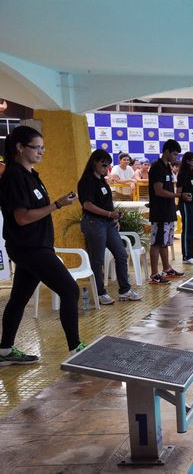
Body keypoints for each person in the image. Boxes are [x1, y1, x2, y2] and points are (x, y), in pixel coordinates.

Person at [0, 126, 85, 364]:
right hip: (29, 247)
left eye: (42, 148)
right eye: (36, 147)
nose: (41, 152)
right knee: (69, 290)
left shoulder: (30, 175)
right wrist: (57, 205)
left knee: (18, 298)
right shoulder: (15, 175)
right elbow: (22, 217)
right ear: (19, 148)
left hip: (35, 245)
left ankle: (4, 351)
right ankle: (76, 350)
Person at [77, 149, 143, 305]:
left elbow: (106, 202)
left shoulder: (101, 180)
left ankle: (125, 290)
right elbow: (87, 205)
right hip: (94, 223)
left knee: (121, 254)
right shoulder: (86, 181)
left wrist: (114, 217)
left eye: (108, 164)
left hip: (108, 223)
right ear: (94, 162)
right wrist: (108, 214)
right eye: (103, 163)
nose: (106, 167)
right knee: (97, 259)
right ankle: (100, 293)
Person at [147, 139, 185, 284]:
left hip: (168, 210)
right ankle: (154, 274)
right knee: (156, 242)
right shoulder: (157, 167)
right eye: (174, 154)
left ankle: (167, 269)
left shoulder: (167, 167)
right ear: (167, 151)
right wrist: (177, 195)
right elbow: (158, 190)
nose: (176, 158)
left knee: (165, 242)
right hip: (160, 211)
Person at [176, 152, 193, 264]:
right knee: (187, 230)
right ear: (188, 161)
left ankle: (191, 253)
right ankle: (186, 256)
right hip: (186, 205)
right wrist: (181, 197)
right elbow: (178, 190)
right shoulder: (183, 173)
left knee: (192, 229)